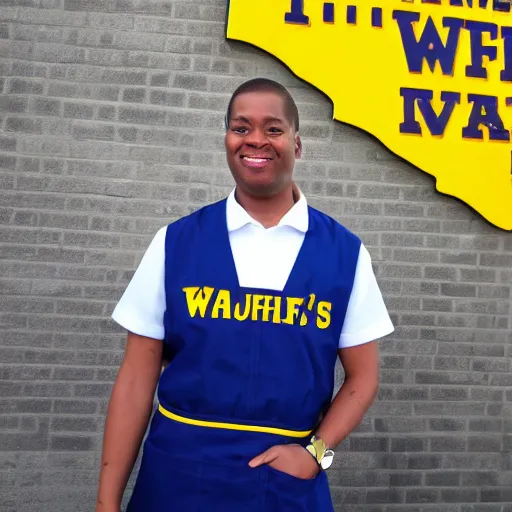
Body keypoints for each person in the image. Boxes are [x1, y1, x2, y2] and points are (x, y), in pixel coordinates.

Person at [95, 78, 394, 512]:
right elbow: (136, 379)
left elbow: (363, 377)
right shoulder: (175, 242)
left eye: (273, 128)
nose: (256, 139)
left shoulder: (344, 253)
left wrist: (315, 453)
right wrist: (106, 502)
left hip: (285, 486)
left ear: (298, 143)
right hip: (177, 478)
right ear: (226, 140)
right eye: (241, 127)